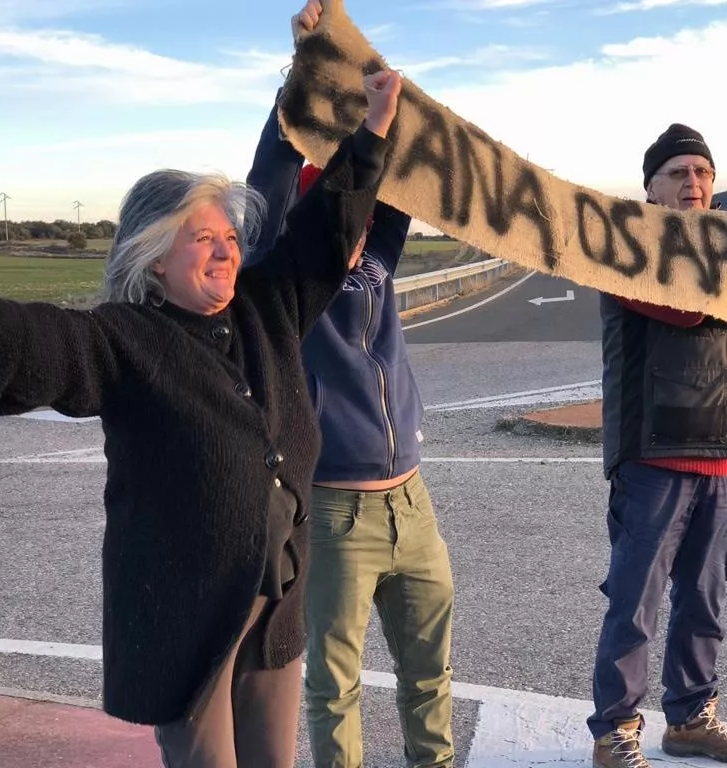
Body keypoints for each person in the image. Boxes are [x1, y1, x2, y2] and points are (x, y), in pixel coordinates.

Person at [0, 61, 402, 768]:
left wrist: (372, 126)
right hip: (186, 623)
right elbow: (36, 341)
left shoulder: (267, 310)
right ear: (156, 257)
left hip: (274, 611)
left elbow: (326, 227)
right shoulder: (123, 338)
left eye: (229, 236)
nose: (225, 251)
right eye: (201, 238)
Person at [244, 4, 455, 766]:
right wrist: (302, 68)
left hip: (412, 499)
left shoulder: (378, 256)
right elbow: (268, 180)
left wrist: (374, 89)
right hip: (332, 506)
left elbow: (401, 165)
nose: (355, 210)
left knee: (431, 677)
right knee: (334, 687)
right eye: (335, 192)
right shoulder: (278, 261)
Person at [588, 123, 727, 768]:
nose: (693, 183)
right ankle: (616, 731)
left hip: (717, 452)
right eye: (677, 173)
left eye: (702, 173)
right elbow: (686, 310)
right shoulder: (629, 252)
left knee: (704, 599)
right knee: (635, 602)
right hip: (651, 456)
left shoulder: (725, 260)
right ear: (649, 188)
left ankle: (690, 719)